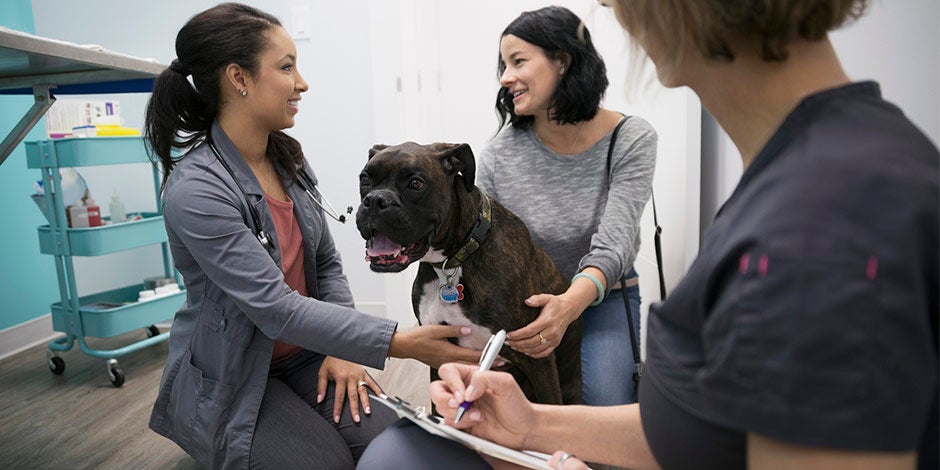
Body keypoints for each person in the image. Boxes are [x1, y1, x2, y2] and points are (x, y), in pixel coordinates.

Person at [358, 0, 939, 468]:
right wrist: (534, 425)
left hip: (593, 298)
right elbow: (723, 427)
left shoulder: (823, 222)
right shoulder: (817, 173)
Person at [144, 3, 480, 469]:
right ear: (239, 78)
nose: (302, 82)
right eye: (286, 67)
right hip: (231, 373)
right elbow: (275, 308)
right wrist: (397, 342)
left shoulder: (289, 162)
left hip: (305, 355)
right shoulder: (196, 190)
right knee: (325, 464)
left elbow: (324, 263)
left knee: (399, 449)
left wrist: (342, 350)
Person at [476, 5, 657, 406]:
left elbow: (614, 245)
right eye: (503, 65)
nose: (505, 77)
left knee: (604, 411)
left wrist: (566, 308)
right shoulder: (496, 156)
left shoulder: (630, 139)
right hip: (526, 305)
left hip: (602, 300)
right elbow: (483, 250)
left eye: (518, 61)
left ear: (563, 60)